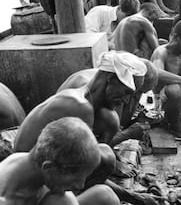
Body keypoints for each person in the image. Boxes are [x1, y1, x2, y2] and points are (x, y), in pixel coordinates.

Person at [13, 51, 163, 205]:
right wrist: (133, 197)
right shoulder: (78, 106)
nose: (126, 100)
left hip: (48, 173)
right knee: (106, 183)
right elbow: (68, 171)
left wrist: (135, 197)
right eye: (126, 92)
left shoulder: (97, 108)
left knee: (106, 154)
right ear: (110, 79)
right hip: (27, 184)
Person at [0, 117, 119, 205]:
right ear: (48, 168)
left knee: (106, 196)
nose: (81, 185)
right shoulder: (9, 199)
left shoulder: (31, 160)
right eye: (76, 179)